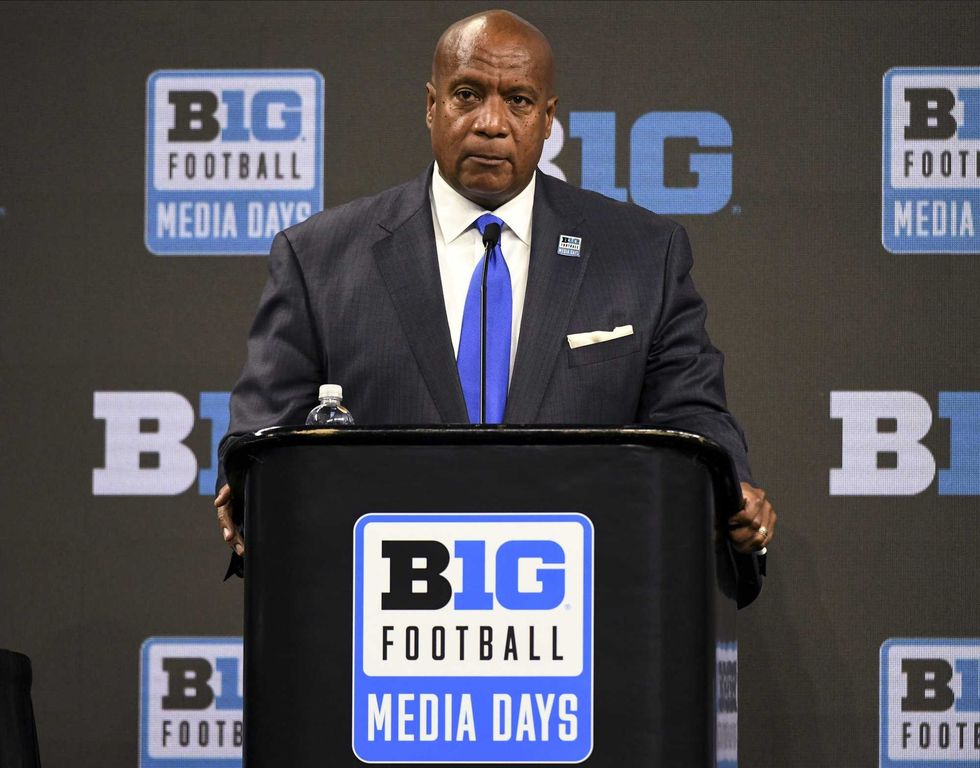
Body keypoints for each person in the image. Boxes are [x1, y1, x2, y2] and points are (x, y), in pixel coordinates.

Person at [214, 9, 776, 602]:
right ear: (431, 105)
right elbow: (261, 432)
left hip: (585, 604)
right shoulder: (319, 256)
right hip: (381, 611)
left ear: (549, 119)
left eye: (519, 101)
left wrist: (731, 484)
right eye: (467, 94)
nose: (491, 123)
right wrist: (247, 482)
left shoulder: (643, 256)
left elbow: (691, 413)